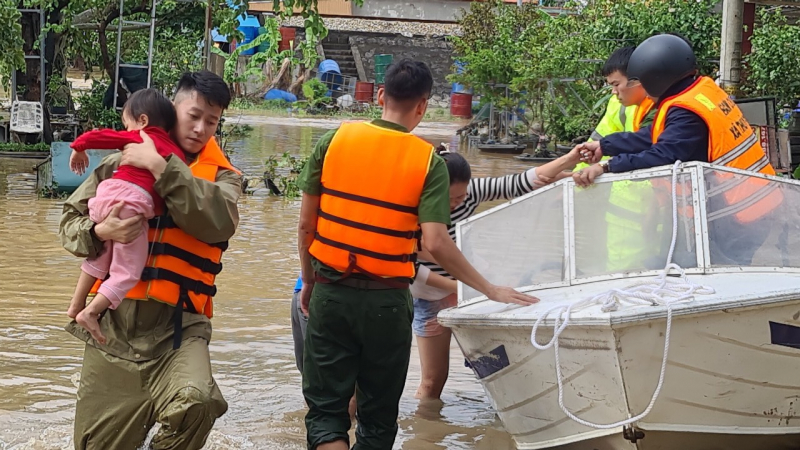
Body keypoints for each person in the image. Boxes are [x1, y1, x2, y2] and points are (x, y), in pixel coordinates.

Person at [296, 59, 538, 450]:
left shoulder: (334, 140)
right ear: (423, 105)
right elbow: (437, 243)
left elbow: (306, 227)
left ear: (379, 95)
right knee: (377, 420)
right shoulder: (429, 162)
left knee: (327, 414)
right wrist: (488, 289)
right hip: (388, 303)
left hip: (330, 290)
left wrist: (308, 280)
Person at [59, 71, 241, 450]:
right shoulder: (119, 161)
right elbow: (69, 223)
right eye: (193, 116)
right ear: (171, 109)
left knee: (199, 402)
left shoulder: (224, 178)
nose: (201, 129)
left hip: (178, 332)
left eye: (212, 121)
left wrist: (161, 166)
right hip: (114, 334)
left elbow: (218, 221)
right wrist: (99, 232)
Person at [573, 34, 782, 265]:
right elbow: (656, 136)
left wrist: (608, 166)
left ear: (655, 79)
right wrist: (605, 146)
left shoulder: (686, 112)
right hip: (751, 203)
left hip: (739, 214)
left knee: (719, 278)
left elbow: (664, 154)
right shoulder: (699, 92)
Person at [413, 148, 583, 400]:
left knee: (497, 365)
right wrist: (463, 289)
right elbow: (412, 270)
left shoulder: (469, 195)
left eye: (460, 198)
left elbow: (523, 182)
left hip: (473, 289)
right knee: (433, 380)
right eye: (448, 199)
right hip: (433, 294)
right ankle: (423, 430)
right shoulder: (410, 207)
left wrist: (571, 161)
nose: (454, 204)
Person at [66, 89, 186, 344]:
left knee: (101, 257)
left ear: (142, 121)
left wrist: (79, 147)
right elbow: (171, 192)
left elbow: (102, 136)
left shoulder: (133, 138)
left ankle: (75, 304)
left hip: (103, 198)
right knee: (127, 272)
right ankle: (90, 312)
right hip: (132, 204)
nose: (127, 129)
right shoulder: (174, 152)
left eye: (126, 123)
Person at [574, 46, 661, 274]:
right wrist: (576, 179)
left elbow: (662, 154)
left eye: (616, 84)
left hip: (660, 209)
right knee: (621, 274)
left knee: (660, 275)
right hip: (624, 207)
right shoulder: (619, 104)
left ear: (637, 80)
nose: (614, 92)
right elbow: (597, 142)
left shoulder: (666, 107)